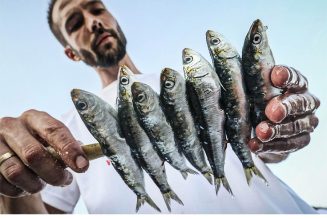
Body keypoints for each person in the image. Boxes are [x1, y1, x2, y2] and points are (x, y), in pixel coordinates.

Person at [0, 0, 320, 214]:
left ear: (112, 17)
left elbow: (260, 141)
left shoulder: (197, 82)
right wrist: (12, 182)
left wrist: (277, 133)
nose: (93, 22)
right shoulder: (62, 132)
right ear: (71, 52)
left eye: (96, 8)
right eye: (75, 22)